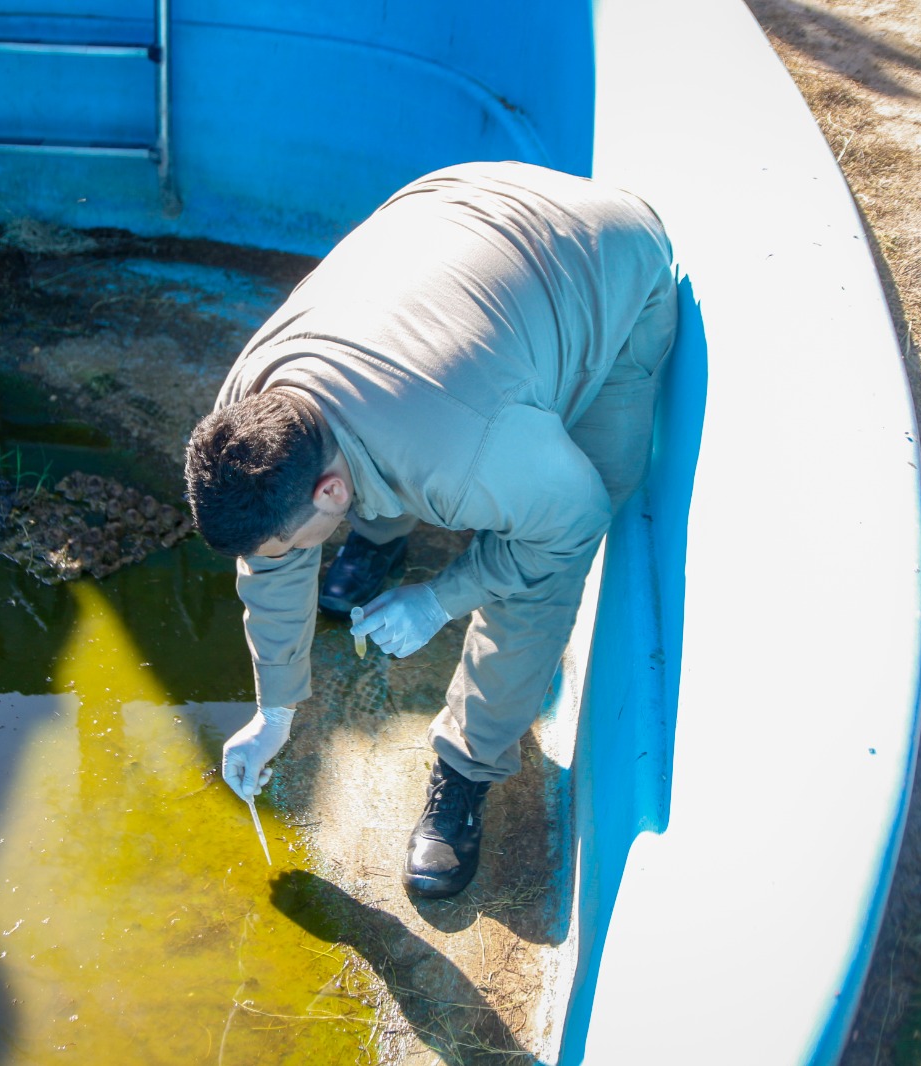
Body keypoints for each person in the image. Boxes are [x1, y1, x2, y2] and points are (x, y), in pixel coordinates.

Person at [183, 161, 677, 898]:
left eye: (292, 547)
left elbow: (571, 523)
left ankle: (466, 769)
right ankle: (380, 538)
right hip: (449, 205)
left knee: (557, 541)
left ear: (328, 490)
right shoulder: (251, 406)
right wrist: (274, 710)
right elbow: (270, 557)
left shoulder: (464, 453)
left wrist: (441, 598)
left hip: (612, 259)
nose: (282, 563)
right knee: (380, 466)